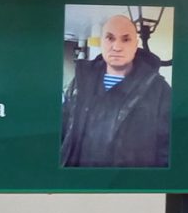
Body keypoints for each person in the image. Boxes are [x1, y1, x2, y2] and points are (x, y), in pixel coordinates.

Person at [61, 14, 171, 167]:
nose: (117, 47)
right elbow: (63, 128)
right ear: (102, 42)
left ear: (136, 45)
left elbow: (167, 151)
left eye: (126, 39)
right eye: (110, 38)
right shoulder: (80, 82)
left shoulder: (160, 91)